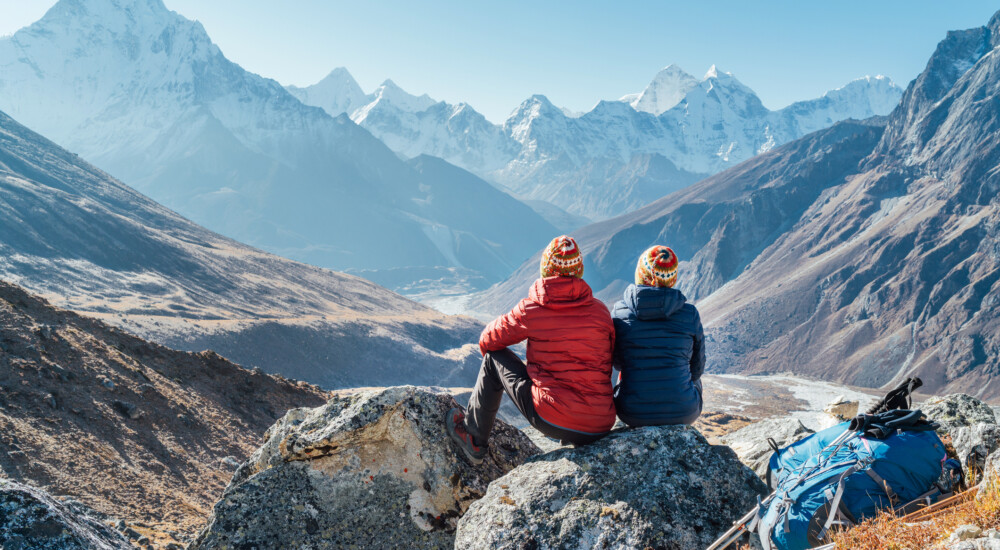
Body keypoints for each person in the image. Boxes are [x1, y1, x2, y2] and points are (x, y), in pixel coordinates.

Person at [446, 235, 616, 464]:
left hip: (552, 418)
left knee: (493, 359)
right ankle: (575, 431)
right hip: (601, 422)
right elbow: (609, 359)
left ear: (545, 268)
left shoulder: (532, 309)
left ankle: (473, 439)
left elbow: (488, 341)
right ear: (580, 270)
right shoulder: (600, 312)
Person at [612, 245, 704, 427]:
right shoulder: (690, 314)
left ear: (641, 273)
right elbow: (697, 369)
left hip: (631, 412)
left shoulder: (620, 312)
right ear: (672, 278)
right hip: (684, 412)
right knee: (693, 374)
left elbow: (616, 362)